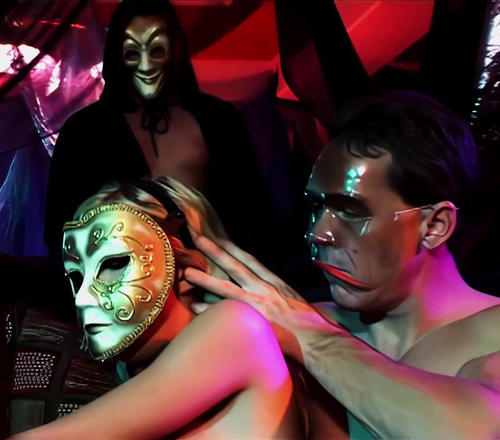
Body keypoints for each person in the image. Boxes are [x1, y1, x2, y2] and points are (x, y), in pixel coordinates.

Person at [185, 91, 500, 438]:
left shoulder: (494, 333)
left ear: (435, 226)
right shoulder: (296, 320)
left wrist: (315, 341)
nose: (318, 233)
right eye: (318, 207)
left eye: (351, 212)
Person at [16, 177, 301, 439]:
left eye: (114, 264)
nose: (82, 298)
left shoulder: (236, 329)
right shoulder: (128, 378)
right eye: (77, 278)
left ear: (184, 270)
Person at [43, 0, 274, 256]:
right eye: (132, 53)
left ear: (175, 49)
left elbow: (254, 212)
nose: (146, 66)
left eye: (157, 50)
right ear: (117, 55)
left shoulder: (220, 120)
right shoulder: (83, 131)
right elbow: (61, 229)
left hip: (212, 270)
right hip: (120, 275)